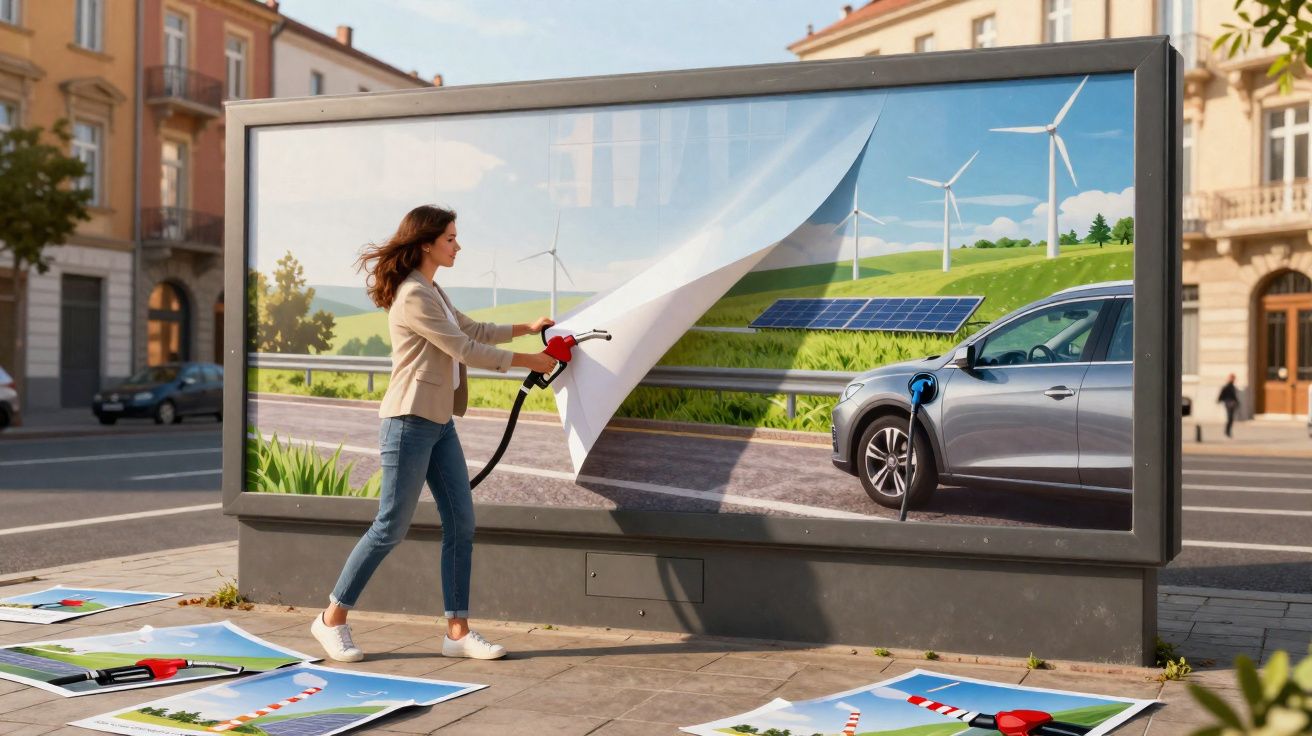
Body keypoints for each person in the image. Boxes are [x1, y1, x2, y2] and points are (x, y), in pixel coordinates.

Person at [310, 205, 558, 662]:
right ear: (426, 242)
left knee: (461, 522)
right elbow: (462, 347)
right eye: (450, 238)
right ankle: (331, 619)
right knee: (390, 527)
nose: (457, 245)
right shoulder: (412, 296)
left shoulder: (432, 289)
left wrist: (528, 327)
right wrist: (528, 360)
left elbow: (472, 328)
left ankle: (457, 631)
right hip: (408, 422)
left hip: (439, 421)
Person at [1217, 373, 1239, 438]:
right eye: (1232, 378)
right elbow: (1222, 394)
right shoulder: (1227, 386)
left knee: (1231, 418)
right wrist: (1220, 400)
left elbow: (1234, 396)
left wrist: (1237, 402)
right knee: (1230, 418)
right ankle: (1227, 431)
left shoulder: (1233, 387)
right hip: (1228, 403)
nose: (1233, 380)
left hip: (1232, 403)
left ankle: (1228, 431)